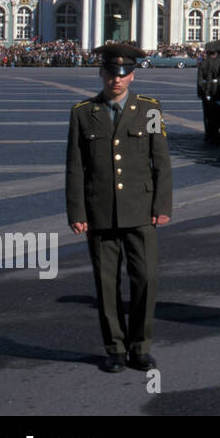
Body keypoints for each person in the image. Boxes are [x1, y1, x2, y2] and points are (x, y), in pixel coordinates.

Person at [65, 42, 172, 373]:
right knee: (106, 283)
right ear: (101, 73)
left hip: (141, 210)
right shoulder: (83, 113)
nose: (117, 79)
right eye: (111, 72)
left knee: (146, 279)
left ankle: (140, 346)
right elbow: (75, 166)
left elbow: (161, 162)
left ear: (133, 76)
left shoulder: (150, 110)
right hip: (100, 212)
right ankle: (114, 348)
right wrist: (77, 213)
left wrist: (162, 204)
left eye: (123, 73)